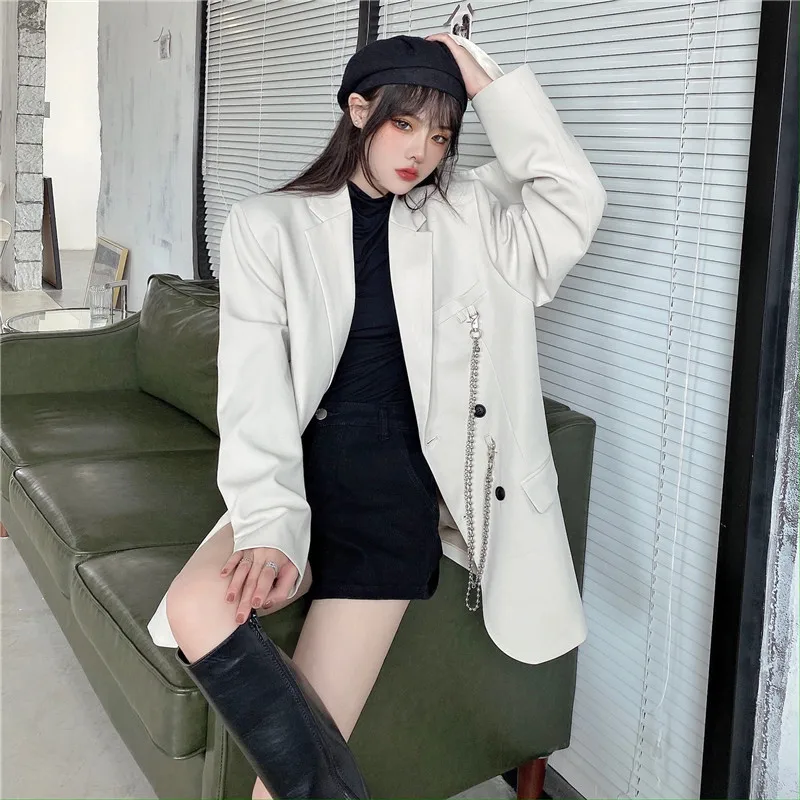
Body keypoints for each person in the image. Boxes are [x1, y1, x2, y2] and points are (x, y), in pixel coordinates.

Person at [146, 32, 606, 799]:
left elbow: (573, 197)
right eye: (404, 123)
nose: (422, 151)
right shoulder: (267, 224)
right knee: (198, 603)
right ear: (360, 112)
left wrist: (485, 82)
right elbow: (254, 392)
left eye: (442, 134)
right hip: (302, 469)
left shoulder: (470, 216)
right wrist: (269, 524)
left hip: (395, 490)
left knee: (286, 776)